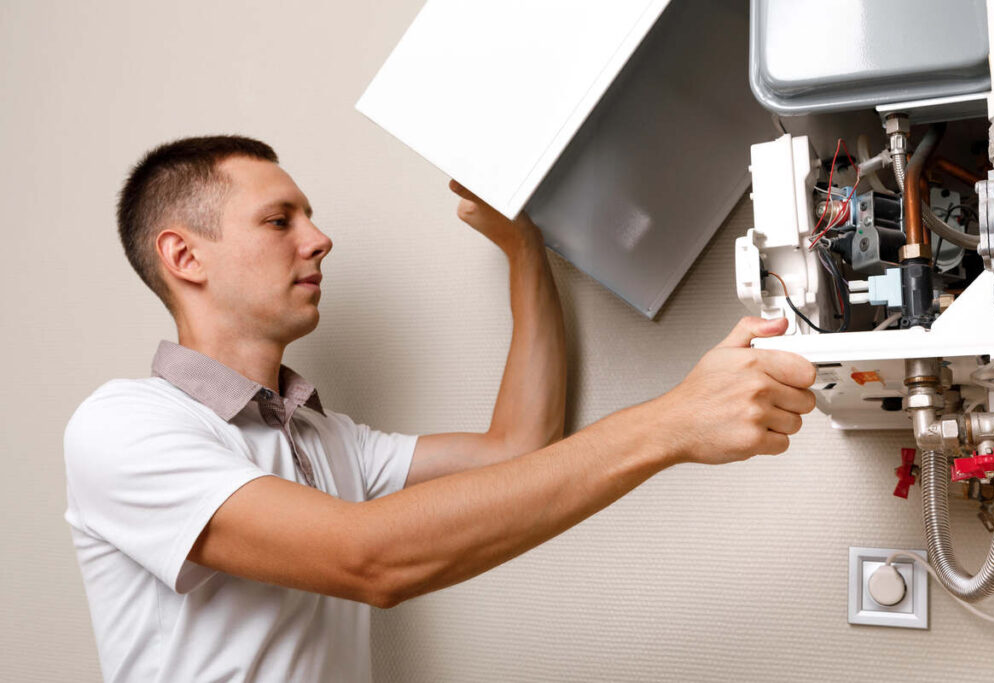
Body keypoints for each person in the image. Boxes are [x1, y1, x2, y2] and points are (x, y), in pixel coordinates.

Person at [64, 136, 816, 682]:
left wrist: (524, 251)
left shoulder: (323, 438)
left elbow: (520, 446)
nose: (320, 240)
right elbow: (367, 558)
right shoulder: (125, 427)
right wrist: (672, 422)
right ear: (184, 256)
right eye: (279, 220)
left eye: (309, 217)